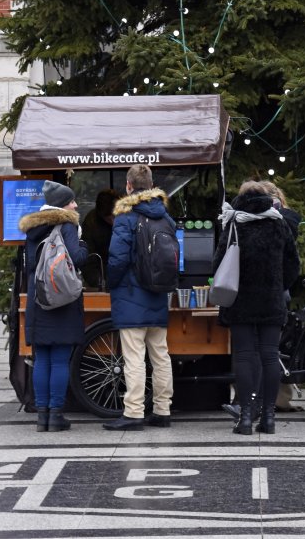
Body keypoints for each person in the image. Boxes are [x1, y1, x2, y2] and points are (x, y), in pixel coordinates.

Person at [213, 180, 300, 437]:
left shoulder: (234, 223)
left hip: (241, 300)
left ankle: (246, 418)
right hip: (271, 300)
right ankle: (269, 418)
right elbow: (293, 265)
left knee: (244, 356)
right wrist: (277, 284)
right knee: (270, 356)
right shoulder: (278, 223)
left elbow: (218, 262)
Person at [103, 163, 175, 431]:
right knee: (161, 355)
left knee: (134, 357)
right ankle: (162, 410)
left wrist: (111, 283)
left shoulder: (125, 217)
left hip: (131, 294)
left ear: (129, 186)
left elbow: (117, 258)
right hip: (158, 294)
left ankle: (133, 413)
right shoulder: (165, 217)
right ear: (151, 184)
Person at [18, 180, 88, 432]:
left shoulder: (33, 228)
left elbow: (29, 267)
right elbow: (77, 259)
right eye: (71, 201)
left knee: (42, 359)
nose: (75, 204)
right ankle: (56, 414)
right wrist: (83, 245)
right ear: (62, 205)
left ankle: (42, 416)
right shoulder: (66, 224)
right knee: (59, 359)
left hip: (39, 299)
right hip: (62, 301)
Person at [81, 188, 118, 285]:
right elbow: (89, 258)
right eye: (108, 218)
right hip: (101, 272)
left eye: (114, 216)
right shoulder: (91, 223)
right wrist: (98, 282)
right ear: (101, 215)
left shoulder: (128, 217)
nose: (113, 221)